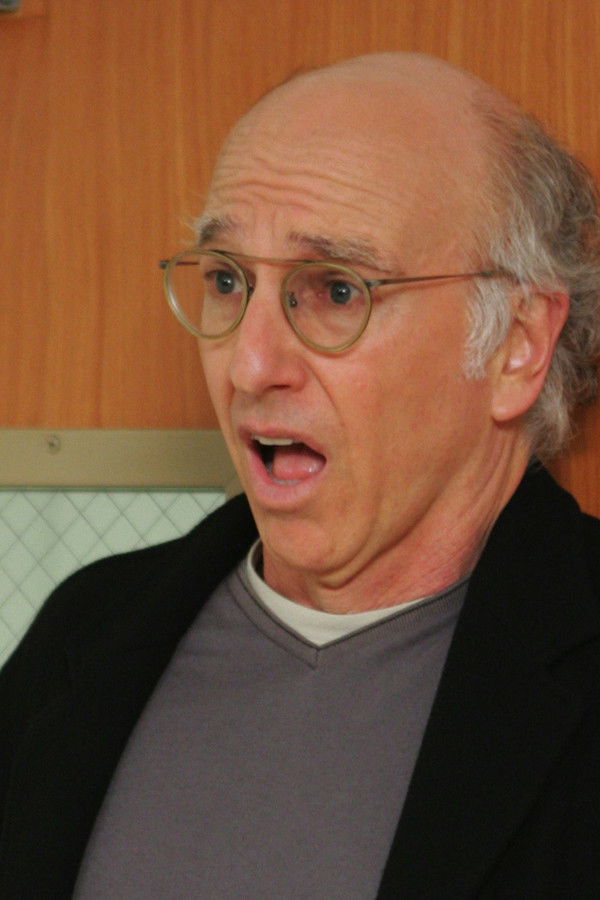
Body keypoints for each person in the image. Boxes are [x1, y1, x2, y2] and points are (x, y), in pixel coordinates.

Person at [1, 52, 600, 899]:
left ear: (517, 344)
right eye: (226, 280)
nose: (249, 364)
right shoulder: (86, 632)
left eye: (337, 291)